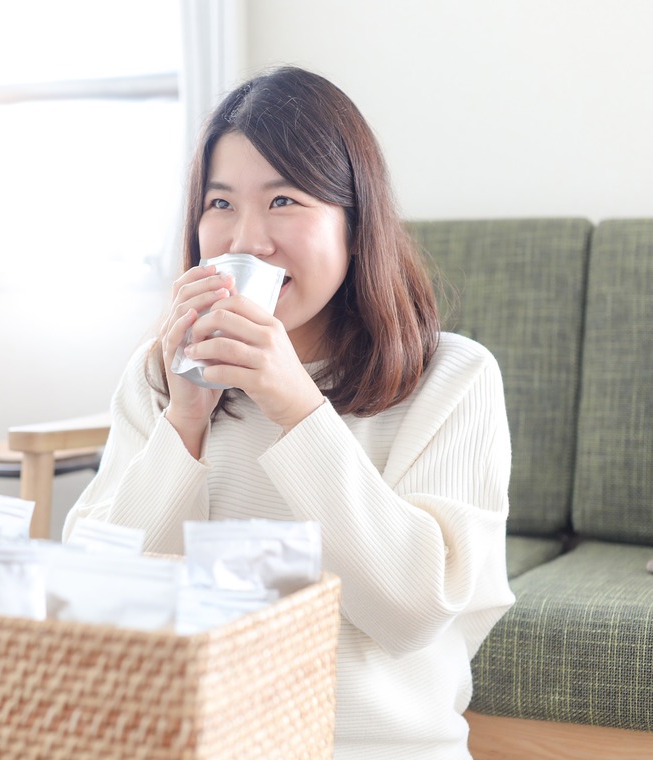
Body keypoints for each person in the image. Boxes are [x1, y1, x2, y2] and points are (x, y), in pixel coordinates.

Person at [62, 66, 515, 759]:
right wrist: (184, 421)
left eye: (283, 201)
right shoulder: (159, 375)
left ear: (356, 227)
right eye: (220, 203)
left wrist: (295, 405)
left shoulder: (453, 378)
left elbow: (413, 610)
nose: (246, 240)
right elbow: (101, 597)